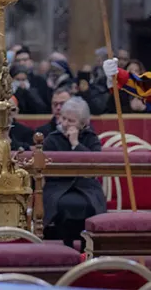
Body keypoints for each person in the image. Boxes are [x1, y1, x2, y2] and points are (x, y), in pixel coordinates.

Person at [43, 97, 106, 249]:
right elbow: (48, 171)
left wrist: (76, 144)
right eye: (63, 118)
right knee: (64, 206)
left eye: (71, 121)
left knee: (88, 207)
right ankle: (66, 247)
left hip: (86, 188)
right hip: (58, 187)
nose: (64, 124)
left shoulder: (91, 138)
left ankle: (88, 248)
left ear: (83, 124)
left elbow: (94, 167)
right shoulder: (52, 139)